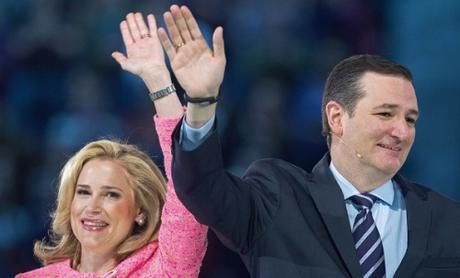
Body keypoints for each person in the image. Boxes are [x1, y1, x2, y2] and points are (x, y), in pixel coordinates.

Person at [162, 5, 460, 278]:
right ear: (337, 118)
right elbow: (202, 187)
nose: (402, 131)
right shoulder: (277, 199)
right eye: (385, 114)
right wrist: (202, 101)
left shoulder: (447, 219)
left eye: (410, 119)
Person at [17, 11, 208, 277]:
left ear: (140, 212)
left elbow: (188, 185)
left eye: (111, 194)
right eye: (83, 192)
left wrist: (159, 81)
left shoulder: (161, 271)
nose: (92, 206)